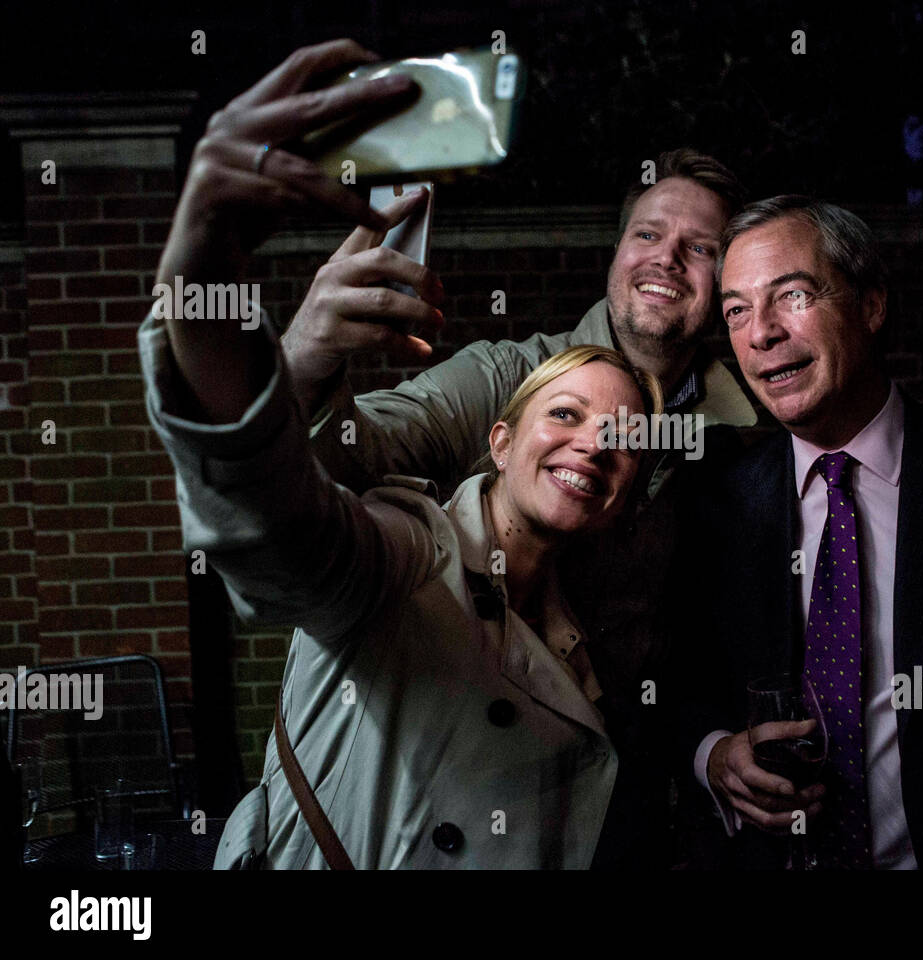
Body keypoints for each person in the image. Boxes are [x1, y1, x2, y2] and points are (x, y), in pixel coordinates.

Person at [140, 39, 666, 868]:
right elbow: (277, 520)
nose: (593, 446)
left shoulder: (583, 643)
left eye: (624, 438)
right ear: (498, 438)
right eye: (564, 413)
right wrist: (208, 259)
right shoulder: (405, 549)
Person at [282, 125, 756, 866]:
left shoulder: (743, 439)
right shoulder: (507, 377)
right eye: (648, 233)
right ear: (618, 251)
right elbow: (351, 457)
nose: (666, 258)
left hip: (611, 789)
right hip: (445, 780)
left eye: (700, 247)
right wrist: (310, 361)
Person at [674, 196, 923, 869]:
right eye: (735, 311)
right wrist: (713, 754)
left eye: (791, 296)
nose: (760, 333)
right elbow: (670, 686)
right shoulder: (713, 499)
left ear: (871, 306)